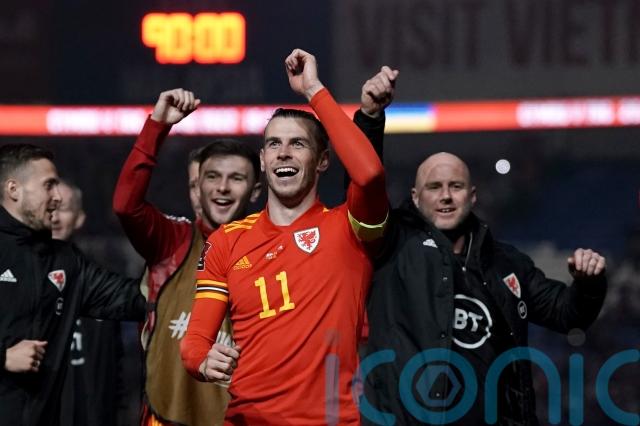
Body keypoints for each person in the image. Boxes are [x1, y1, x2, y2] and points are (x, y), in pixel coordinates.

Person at [181, 48, 389, 425]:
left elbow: (370, 173)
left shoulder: (351, 227)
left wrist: (314, 90)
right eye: (274, 144)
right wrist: (202, 361)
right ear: (262, 160)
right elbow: (195, 341)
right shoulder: (227, 241)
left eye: (298, 144)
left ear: (322, 161)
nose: (283, 153)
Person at [361, 146, 608, 423]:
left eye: (456, 186)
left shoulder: (506, 263)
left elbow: (567, 314)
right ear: (415, 198)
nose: (446, 196)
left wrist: (589, 283)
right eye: (434, 187)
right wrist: (369, 124)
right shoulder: (390, 248)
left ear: (472, 195)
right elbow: (363, 182)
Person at [113, 90, 261, 426]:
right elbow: (125, 206)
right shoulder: (172, 241)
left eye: (236, 178)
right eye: (212, 177)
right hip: (164, 418)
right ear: (198, 187)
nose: (222, 187)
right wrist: (157, 125)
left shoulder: (272, 251)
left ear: (255, 191)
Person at [0, 144, 146, 426]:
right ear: (14, 190)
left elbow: (135, 299)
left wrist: (168, 254)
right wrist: (3, 357)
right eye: (49, 185)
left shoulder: (65, 262)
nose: (57, 197)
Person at [53, 180, 124, 426]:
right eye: (49, 207)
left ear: (79, 218)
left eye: (63, 208)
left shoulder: (102, 282)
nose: (55, 216)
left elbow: (116, 363)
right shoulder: (13, 278)